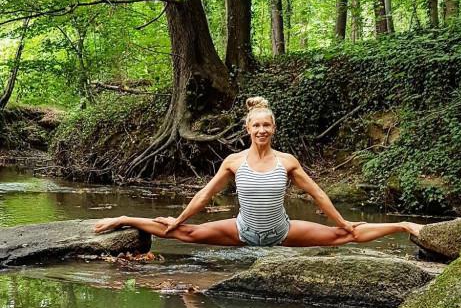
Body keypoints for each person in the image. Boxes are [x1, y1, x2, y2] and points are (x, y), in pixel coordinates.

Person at [94, 96, 423, 245]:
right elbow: (205, 194)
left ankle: (404, 225)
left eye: (267, 125)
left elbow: (317, 193)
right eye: (256, 125)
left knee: (345, 235)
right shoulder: (234, 162)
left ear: (273, 128)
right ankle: (124, 218)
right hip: (242, 232)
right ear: (248, 129)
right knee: (182, 232)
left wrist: (342, 222)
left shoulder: (288, 161)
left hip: (281, 232)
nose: (262, 130)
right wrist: (178, 220)